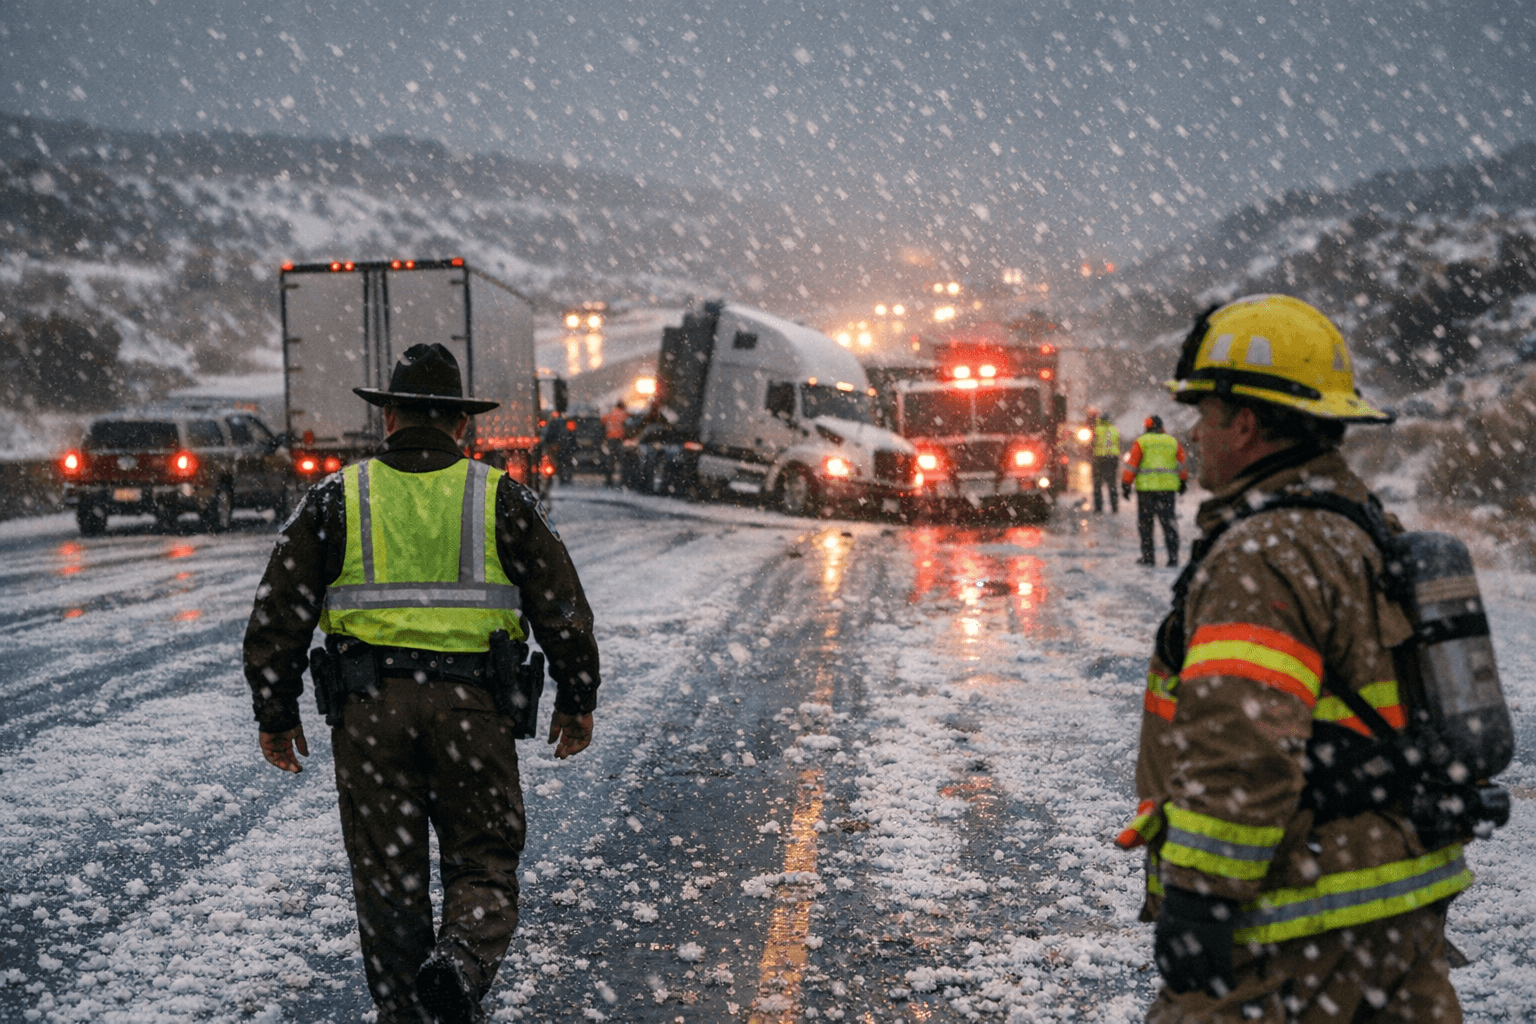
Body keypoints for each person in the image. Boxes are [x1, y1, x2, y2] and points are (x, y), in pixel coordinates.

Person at [1117, 295, 1471, 1022]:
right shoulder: (1361, 526)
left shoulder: (1263, 553)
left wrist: (1201, 901)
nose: (1194, 434)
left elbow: (1242, 751)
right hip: (1398, 903)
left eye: (1205, 414)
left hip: (1299, 923)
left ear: (1244, 424)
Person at [243, 343, 600, 1024]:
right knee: (483, 860)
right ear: (461, 424)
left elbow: (277, 613)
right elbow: (564, 609)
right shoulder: (501, 495)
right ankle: (460, 962)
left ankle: (407, 1010)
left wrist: (275, 710)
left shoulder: (335, 496)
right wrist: (576, 697)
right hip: (474, 711)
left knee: (387, 879)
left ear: (389, 418)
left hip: (370, 714)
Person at [1121, 415, 1188, 566]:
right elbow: (1181, 464)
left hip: (1146, 490)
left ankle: (1148, 558)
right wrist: (1183, 481)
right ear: (1162, 426)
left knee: (1146, 525)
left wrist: (1126, 484)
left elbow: (1132, 465)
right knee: (1169, 523)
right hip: (1167, 490)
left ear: (1147, 427)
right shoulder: (1172, 441)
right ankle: (1173, 558)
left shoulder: (1141, 442)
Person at [1089, 410, 1122, 514]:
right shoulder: (1115, 430)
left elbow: (1090, 444)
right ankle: (1114, 507)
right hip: (1112, 458)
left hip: (1099, 458)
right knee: (1112, 484)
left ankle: (1098, 507)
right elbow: (1118, 443)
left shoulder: (1096, 430)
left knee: (1097, 484)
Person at [600, 399, 628, 487]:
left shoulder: (611, 413)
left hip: (610, 440)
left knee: (610, 460)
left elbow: (603, 420)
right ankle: (623, 482)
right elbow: (628, 424)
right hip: (620, 440)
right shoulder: (623, 414)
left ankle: (608, 481)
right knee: (622, 461)